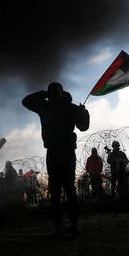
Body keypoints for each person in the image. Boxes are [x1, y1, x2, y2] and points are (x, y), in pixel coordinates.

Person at [22, 82, 89, 238]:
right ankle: (64, 228)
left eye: (54, 92)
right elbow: (26, 101)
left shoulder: (48, 107)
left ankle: (70, 227)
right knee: (58, 191)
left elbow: (83, 126)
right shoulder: (47, 107)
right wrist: (45, 94)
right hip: (57, 152)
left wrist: (83, 113)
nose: (53, 95)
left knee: (67, 190)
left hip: (62, 152)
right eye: (51, 92)